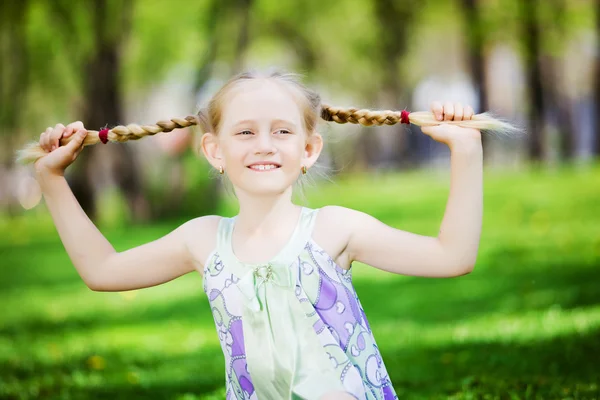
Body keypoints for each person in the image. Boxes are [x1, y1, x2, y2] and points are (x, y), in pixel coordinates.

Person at [27, 70, 513, 399]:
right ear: (214, 151)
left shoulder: (333, 229)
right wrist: (51, 178)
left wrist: (466, 153)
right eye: (245, 133)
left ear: (309, 149)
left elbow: (452, 257)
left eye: (282, 132)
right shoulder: (203, 240)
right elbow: (102, 271)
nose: (264, 145)